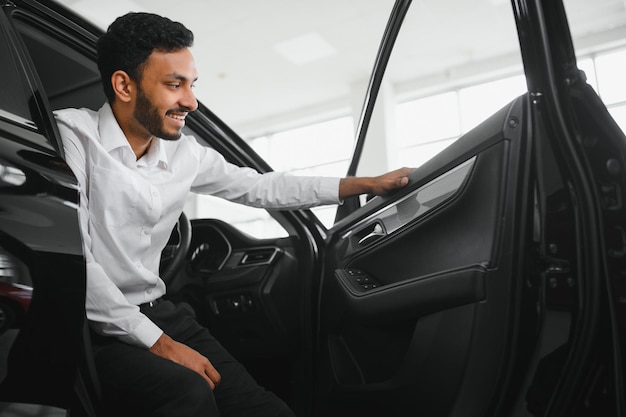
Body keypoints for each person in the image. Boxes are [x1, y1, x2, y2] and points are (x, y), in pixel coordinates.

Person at [55, 11, 412, 417]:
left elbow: (261, 187)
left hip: (158, 310)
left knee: (265, 410)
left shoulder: (184, 153)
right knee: (189, 393)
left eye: (191, 85)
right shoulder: (73, 136)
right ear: (123, 85)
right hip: (88, 324)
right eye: (175, 85)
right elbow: (76, 262)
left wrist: (364, 184)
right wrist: (158, 343)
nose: (190, 101)